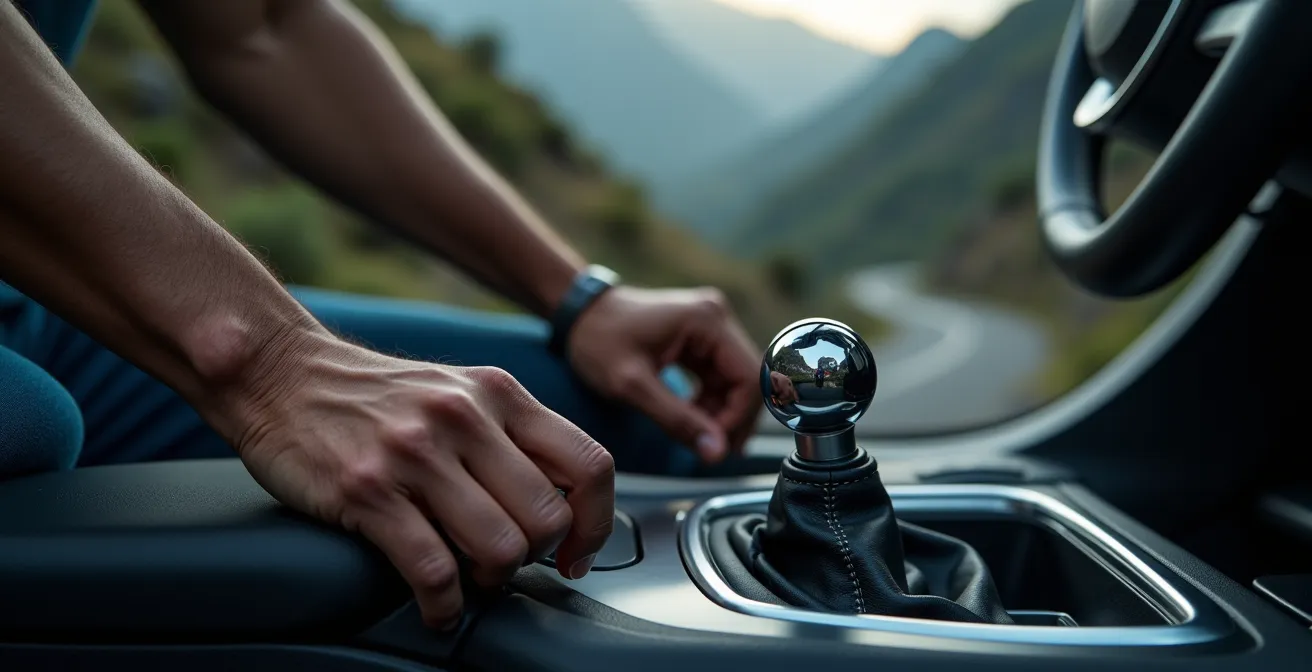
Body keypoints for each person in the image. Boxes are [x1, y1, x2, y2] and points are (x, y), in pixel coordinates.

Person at [0, 0, 761, 630]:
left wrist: (578, 297)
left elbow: (266, 27)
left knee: (620, 423)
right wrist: (271, 368)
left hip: (44, 313)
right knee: (28, 424)